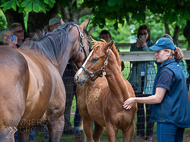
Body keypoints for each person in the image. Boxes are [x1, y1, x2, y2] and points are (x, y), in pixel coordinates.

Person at [123, 37, 190, 142]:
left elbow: (157, 98)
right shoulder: (176, 67)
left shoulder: (166, 71)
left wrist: (134, 99)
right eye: (155, 51)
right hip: (178, 119)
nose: (155, 54)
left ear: (168, 52)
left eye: (158, 51)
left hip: (167, 120)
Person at [128, 25, 156, 141]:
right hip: (137, 81)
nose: (143, 35)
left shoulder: (154, 46)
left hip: (149, 81)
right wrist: (137, 48)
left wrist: (144, 47)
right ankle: (139, 132)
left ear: (148, 34)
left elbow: (152, 58)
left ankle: (149, 133)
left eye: (145, 33)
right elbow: (132, 60)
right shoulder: (134, 46)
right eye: (141, 34)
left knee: (150, 109)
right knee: (138, 109)